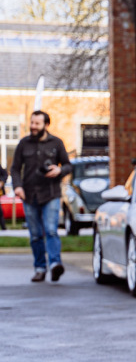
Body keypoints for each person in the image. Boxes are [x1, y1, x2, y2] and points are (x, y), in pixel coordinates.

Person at [12, 110, 72, 282]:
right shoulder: (23, 144)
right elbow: (15, 168)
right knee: (36, 234)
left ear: (46, 125)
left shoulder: (57, 143)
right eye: (32, 123)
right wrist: (17, 187)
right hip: (29, 195)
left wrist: (60, 170)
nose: (33, 126)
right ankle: (40, 268)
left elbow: (68, 165)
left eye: (37, 123)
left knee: (51, 229)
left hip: (51, 193)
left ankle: (55, 265)